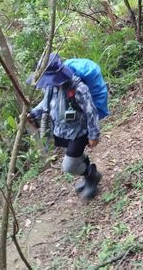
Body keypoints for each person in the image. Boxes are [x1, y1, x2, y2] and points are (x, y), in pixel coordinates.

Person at [27, 53, 102, 199]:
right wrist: (34, 113)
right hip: (61, 130)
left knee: (68, 166)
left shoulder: (79, 88)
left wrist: (94, 134)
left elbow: (91, 111)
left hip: (79, 132)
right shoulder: (51, 87)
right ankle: (88, 178)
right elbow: (47, 103)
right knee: (76, 157)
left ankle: (92, 175)